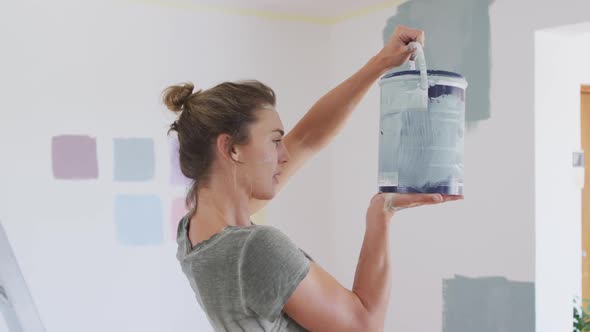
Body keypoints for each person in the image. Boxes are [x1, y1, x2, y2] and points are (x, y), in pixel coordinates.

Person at [164, 25, 462, 332]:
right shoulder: (255, 249)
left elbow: (306, 138)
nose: (284, 154)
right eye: (274, 140)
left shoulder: (194, 231)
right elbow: (364, 326)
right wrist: (382, 214)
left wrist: (382, 62)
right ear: (232, 149)